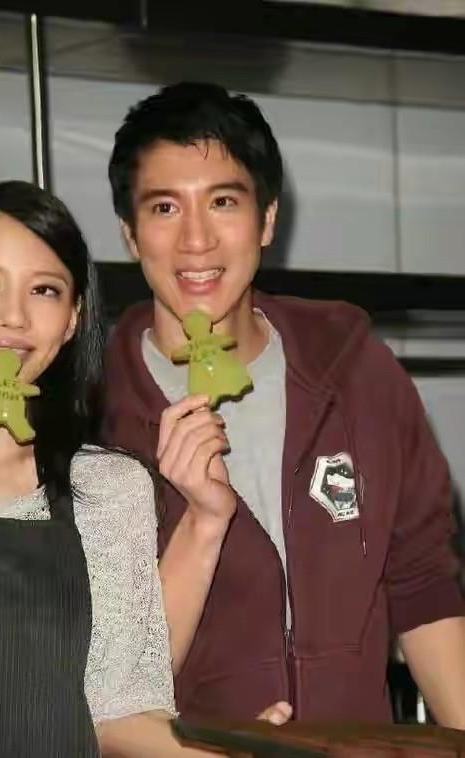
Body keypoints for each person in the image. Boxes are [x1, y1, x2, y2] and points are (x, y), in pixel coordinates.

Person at [0, 181, 289, 757]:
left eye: (44, 290)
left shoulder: (109, 486)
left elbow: (117, 712)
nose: (13, 316)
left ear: (72, 319)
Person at [103, 82, 465, 728]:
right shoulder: (94, 411)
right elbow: (92, 676)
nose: (196, 240)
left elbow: (423, 586)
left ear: (267, 219)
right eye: (165, 208)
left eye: (223, 202)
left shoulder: (357, 372)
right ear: (130, 234)